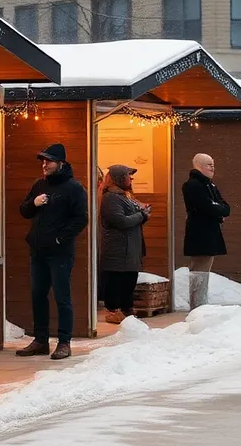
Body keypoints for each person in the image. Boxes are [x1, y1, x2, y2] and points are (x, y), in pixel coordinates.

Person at [17, 143, 88, 360]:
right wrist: (34, 203)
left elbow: (81, 219)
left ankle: (64, 342)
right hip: (38, 250)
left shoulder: (74, 188)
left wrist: (60, 238)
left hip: (59, 252)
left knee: (61, 296)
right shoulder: (39, 185)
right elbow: (24, 211)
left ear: (61, 163)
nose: (44, 165)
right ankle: (40, 340)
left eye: (48, 161)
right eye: (43, 161)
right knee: (38, 295)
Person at [98, 165, 150, 324]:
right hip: (119, 249)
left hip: (130, 248)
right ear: (119, 178)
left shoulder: (124, 195)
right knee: (118, 281)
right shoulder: (111, 198)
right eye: (128, 176)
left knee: (129, 280)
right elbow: (119, 221)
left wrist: (144, 214)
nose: (131, 179)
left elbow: (132, 217)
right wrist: (141, 215)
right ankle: (117, 312)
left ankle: (127, 312)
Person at [181, 153, 230, 309]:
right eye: (209, 164)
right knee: (199, 269)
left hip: (209, 231)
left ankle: (201, 303)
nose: (212, 167)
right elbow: (208, 206)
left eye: (213, 164)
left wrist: (218, 209)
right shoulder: (193, 185)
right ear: (199, 166)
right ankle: (197, 305)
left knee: (205, 266)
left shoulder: (210, 185)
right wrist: (218, 210)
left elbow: (224, 207)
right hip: (199, 232)